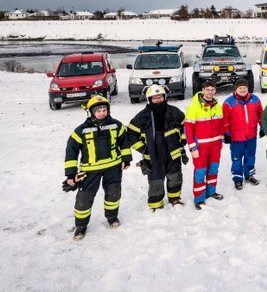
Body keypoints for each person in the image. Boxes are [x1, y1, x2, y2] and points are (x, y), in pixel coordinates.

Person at [63, 95, 130, 240]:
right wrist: (70, 174)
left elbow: (125, 143)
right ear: (91, 112)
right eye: (98, 110)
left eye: (104, 109)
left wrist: (126, 159)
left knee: (113, 193)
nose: (101, 113)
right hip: (89, 171)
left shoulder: (117, 125)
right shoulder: (80, 130)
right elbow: (71, 152)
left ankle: (112, 218)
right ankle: (81, 226)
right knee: (84, 198)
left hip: (113, 167)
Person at [127, 85, 187, 210]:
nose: (158, 100)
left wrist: (182, 140)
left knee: (175, 177)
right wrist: (144, 149)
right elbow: (131, 133)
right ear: (150, 99)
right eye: (155, 98)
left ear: (165, 97)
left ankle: (175, 198)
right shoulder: (142, 116)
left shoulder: (174, 112)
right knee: (156, 180)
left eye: (160, 97)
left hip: (173, 152)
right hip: (154, 155)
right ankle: (156, 205)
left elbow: (185, 126)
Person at [185, 80, 225, 209]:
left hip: (215, 146)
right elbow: (188, 128)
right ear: (202, 90)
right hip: (200, 147)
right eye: (207, 89)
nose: (210, 92)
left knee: (213, 170)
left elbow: (220, 124)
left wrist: (221, 140)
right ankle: (199, 198)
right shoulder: (194, 107)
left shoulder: (217, 105)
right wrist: (192, 147)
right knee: (200, 172)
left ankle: (211, 192)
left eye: (212, 90)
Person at [222, 78, 264, 190]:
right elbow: (225, 120)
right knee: (237, 158)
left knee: (250, 157)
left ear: (248, 88)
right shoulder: (229, 102)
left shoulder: (255, 100)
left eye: (244, 87)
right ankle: (238, 179)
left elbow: (261, 115)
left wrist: (262, 127)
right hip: (236, 137)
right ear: (236, 89)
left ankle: (249, 175)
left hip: (251, 135)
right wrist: (226, 134)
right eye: (240, 88)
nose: (242, 90)